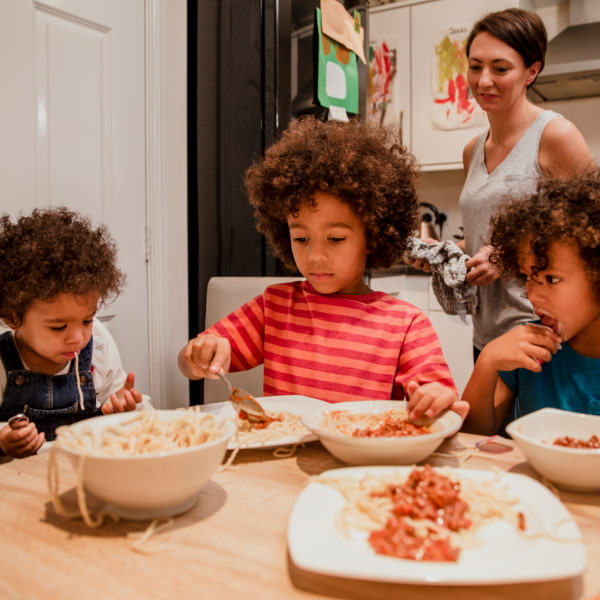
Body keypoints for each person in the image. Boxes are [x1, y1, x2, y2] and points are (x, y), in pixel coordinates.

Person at [178, 116, 468, 422]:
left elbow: (435, 394)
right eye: (301, 238)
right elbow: (192, 364)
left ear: (372, 236)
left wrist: (433, 399)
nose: (316, 256)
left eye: (336, 239)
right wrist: (199, 354)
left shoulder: (406, 324)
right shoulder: (274, 307)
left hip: (361, 465)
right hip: (284, 463)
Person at [409, 8, 593, 361]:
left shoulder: (555, 136)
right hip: (489, 333)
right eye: (475, 66)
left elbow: (589, 239)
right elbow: (483, 236)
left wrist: (505, 255)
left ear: (532, 72)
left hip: (544, 332)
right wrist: (446, 253)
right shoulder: (472, 150)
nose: (484, 80)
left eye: (500, 68)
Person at [462, 168, 600, 435]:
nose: (534, 296)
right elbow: (471, 433)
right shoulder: (529, 349)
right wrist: (487, 361)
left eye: (553, 279)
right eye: (528, 276)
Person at [0, 207, 145, 459]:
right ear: (12, 317)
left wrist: (122, 409)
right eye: (58, 327)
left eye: (87, 320)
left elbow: (125, 417)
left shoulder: (98, 345)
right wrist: (3, 440)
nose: (78, 337)